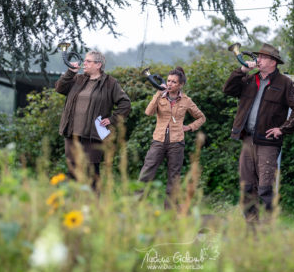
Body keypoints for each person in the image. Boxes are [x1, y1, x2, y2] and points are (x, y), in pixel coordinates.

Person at [223, 43, 294, 222]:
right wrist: (241, 70)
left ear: (273, 62)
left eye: (262, 57)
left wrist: (283, 129)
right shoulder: (250, 79)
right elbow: (228, 89)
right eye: (257, 57)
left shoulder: (285, 83)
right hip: (247, 139)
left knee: (265, 189)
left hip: (268, 143)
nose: (257, 60)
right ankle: (251, 227)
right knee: (246, 186)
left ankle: (267, 230)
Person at [55, 50, 131, 192]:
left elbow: (125, 104)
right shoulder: (77, 79)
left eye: (88, 61)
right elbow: (59, 88)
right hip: (72, 134)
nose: (84, 63)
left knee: (92, 174)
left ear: (98, 65)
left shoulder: (110, 83)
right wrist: (70, 72)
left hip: (93, 136)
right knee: (73, 173)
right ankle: (73, 206)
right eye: (85, 61)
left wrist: (112, 119)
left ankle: (93, 207)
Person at [139, 67, 206, 209]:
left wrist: (189, 127)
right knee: (146, 172)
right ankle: (135, 205)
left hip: (177, 143)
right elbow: (148, 112)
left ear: (180, 84)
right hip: (158, 140)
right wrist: (158, 93)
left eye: (173, 82)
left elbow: (201, 117)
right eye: (168, 81)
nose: (169, 84)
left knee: (174, 177)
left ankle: (170, 211)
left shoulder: (186, 101)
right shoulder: (160, 96)